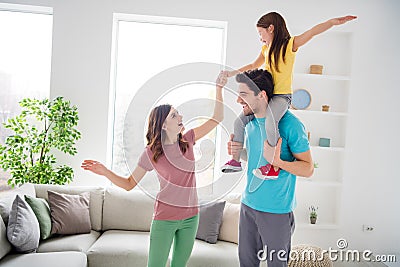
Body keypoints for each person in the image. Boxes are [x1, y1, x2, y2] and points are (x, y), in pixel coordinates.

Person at [81, 72, 227, 267]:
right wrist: (105, 171)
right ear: (164, 124)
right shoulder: (151, 153)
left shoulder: (189, 139)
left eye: (178, 113)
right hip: (165, 219)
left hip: (191, 217)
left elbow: (217, 118)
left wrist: (219, 89)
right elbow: (129, 184)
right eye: (174, 115)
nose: (180, 116)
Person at [221, 12, 357, 179]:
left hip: (282, 97)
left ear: (271, 28)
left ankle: (273, 166)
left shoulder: (289, 45)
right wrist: (231, 73)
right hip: (267, 96)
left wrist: (332, 22)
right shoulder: (265, 49)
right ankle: (234, 161)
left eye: (260, 33)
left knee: (271, 121)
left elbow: (312, 32)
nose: (260, 38)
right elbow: (252, 65)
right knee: (239, 121)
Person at [228, 69, 313, 267]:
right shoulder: (249, 123)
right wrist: (237, 151)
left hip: (277, 212)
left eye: (244, 95)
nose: (238, 101)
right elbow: (256, 159)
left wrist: (279, 162)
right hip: (248, 206)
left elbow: (308, 169)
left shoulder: (291, 125)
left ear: (262, 95)